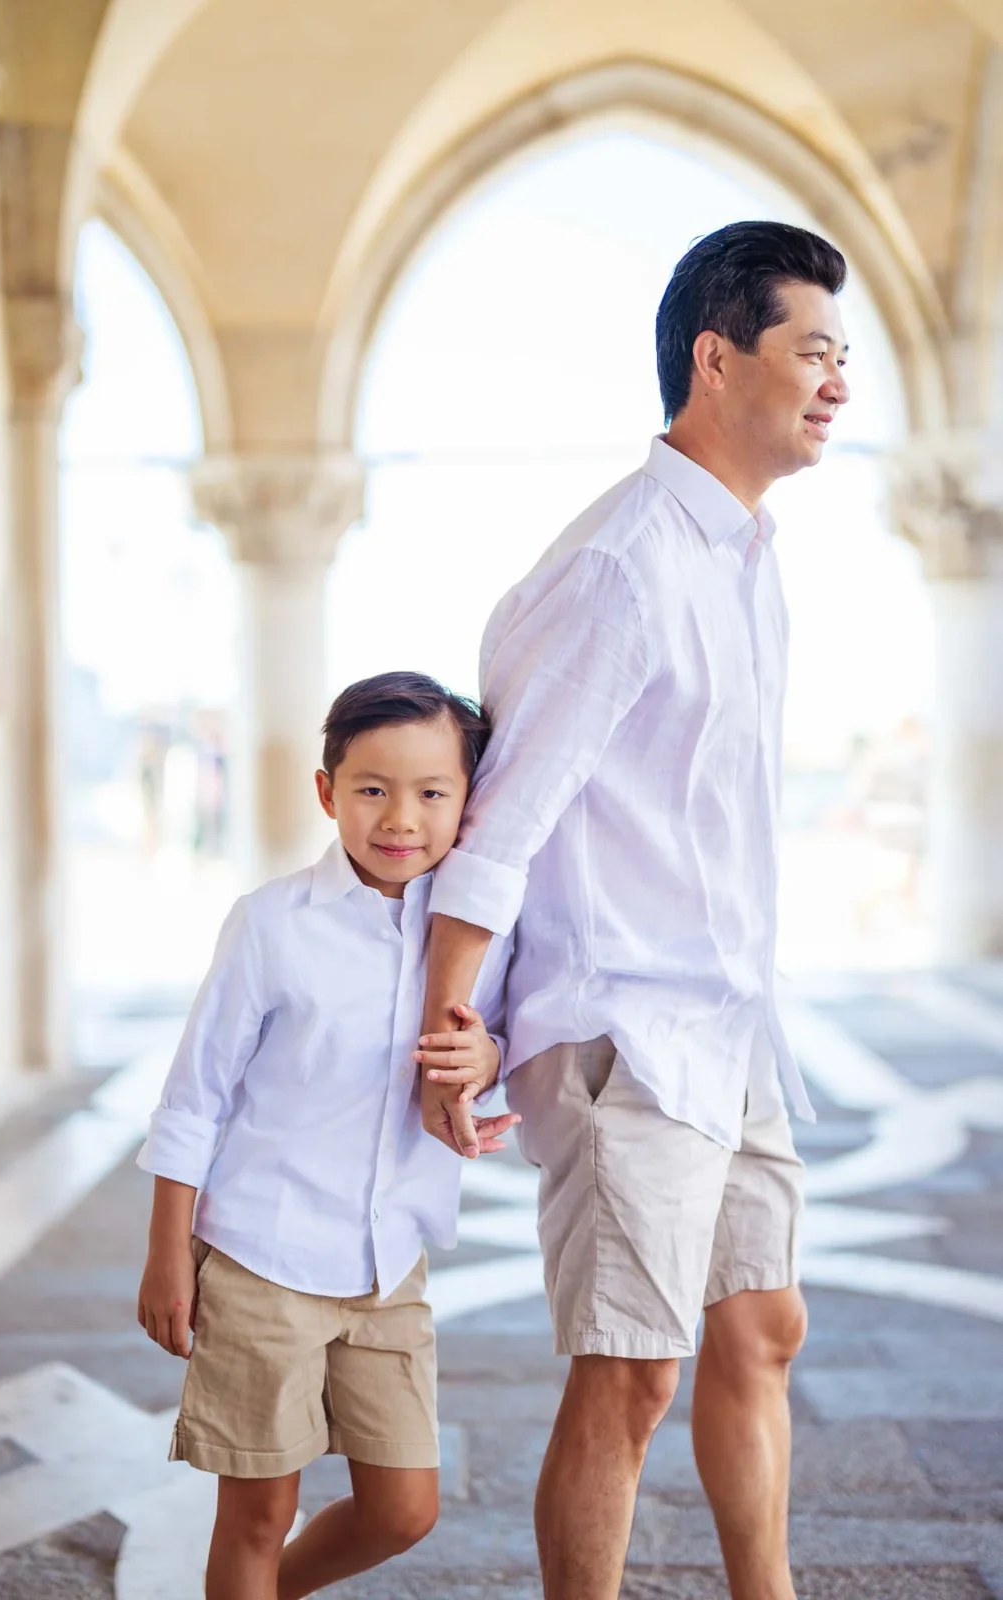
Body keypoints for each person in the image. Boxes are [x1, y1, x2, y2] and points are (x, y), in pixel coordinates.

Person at [416, 221, 851, 1600]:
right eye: (813, 350)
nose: (836, 382)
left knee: (761, 1328)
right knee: (629, 1374)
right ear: (715, 360)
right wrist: (453, 1026)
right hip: (624, 1029)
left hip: (725, 1024)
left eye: (844, 356)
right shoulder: (618, 565)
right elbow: (508, 817)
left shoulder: (745, 555)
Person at [136, 671, 517, 1600]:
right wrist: (165, 1256)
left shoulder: (474, 934)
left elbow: (494, 1042)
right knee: (257, 1515)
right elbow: (196, 1098)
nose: (401, 818)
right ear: (327, 792)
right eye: (372, 789)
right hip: (264, 1259)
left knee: (404, 1510)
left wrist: (488, 1061)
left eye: (432, 793)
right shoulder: (271, 926)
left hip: (389, 1266)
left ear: (469, 802)